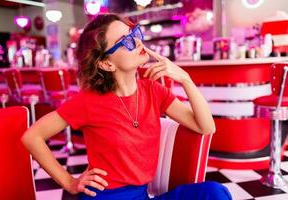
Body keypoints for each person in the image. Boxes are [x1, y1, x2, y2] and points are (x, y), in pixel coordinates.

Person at [22, 14, 232, 200]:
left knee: (214, 192)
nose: (138, 42)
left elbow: (206, 127)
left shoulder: (153, 91)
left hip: (141, 195)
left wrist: (185, 79)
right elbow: (32, 136)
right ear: (106, 63)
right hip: (105, 196)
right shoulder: (88, 101)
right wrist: (69, 182)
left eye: (134, 33)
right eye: (126, 41)